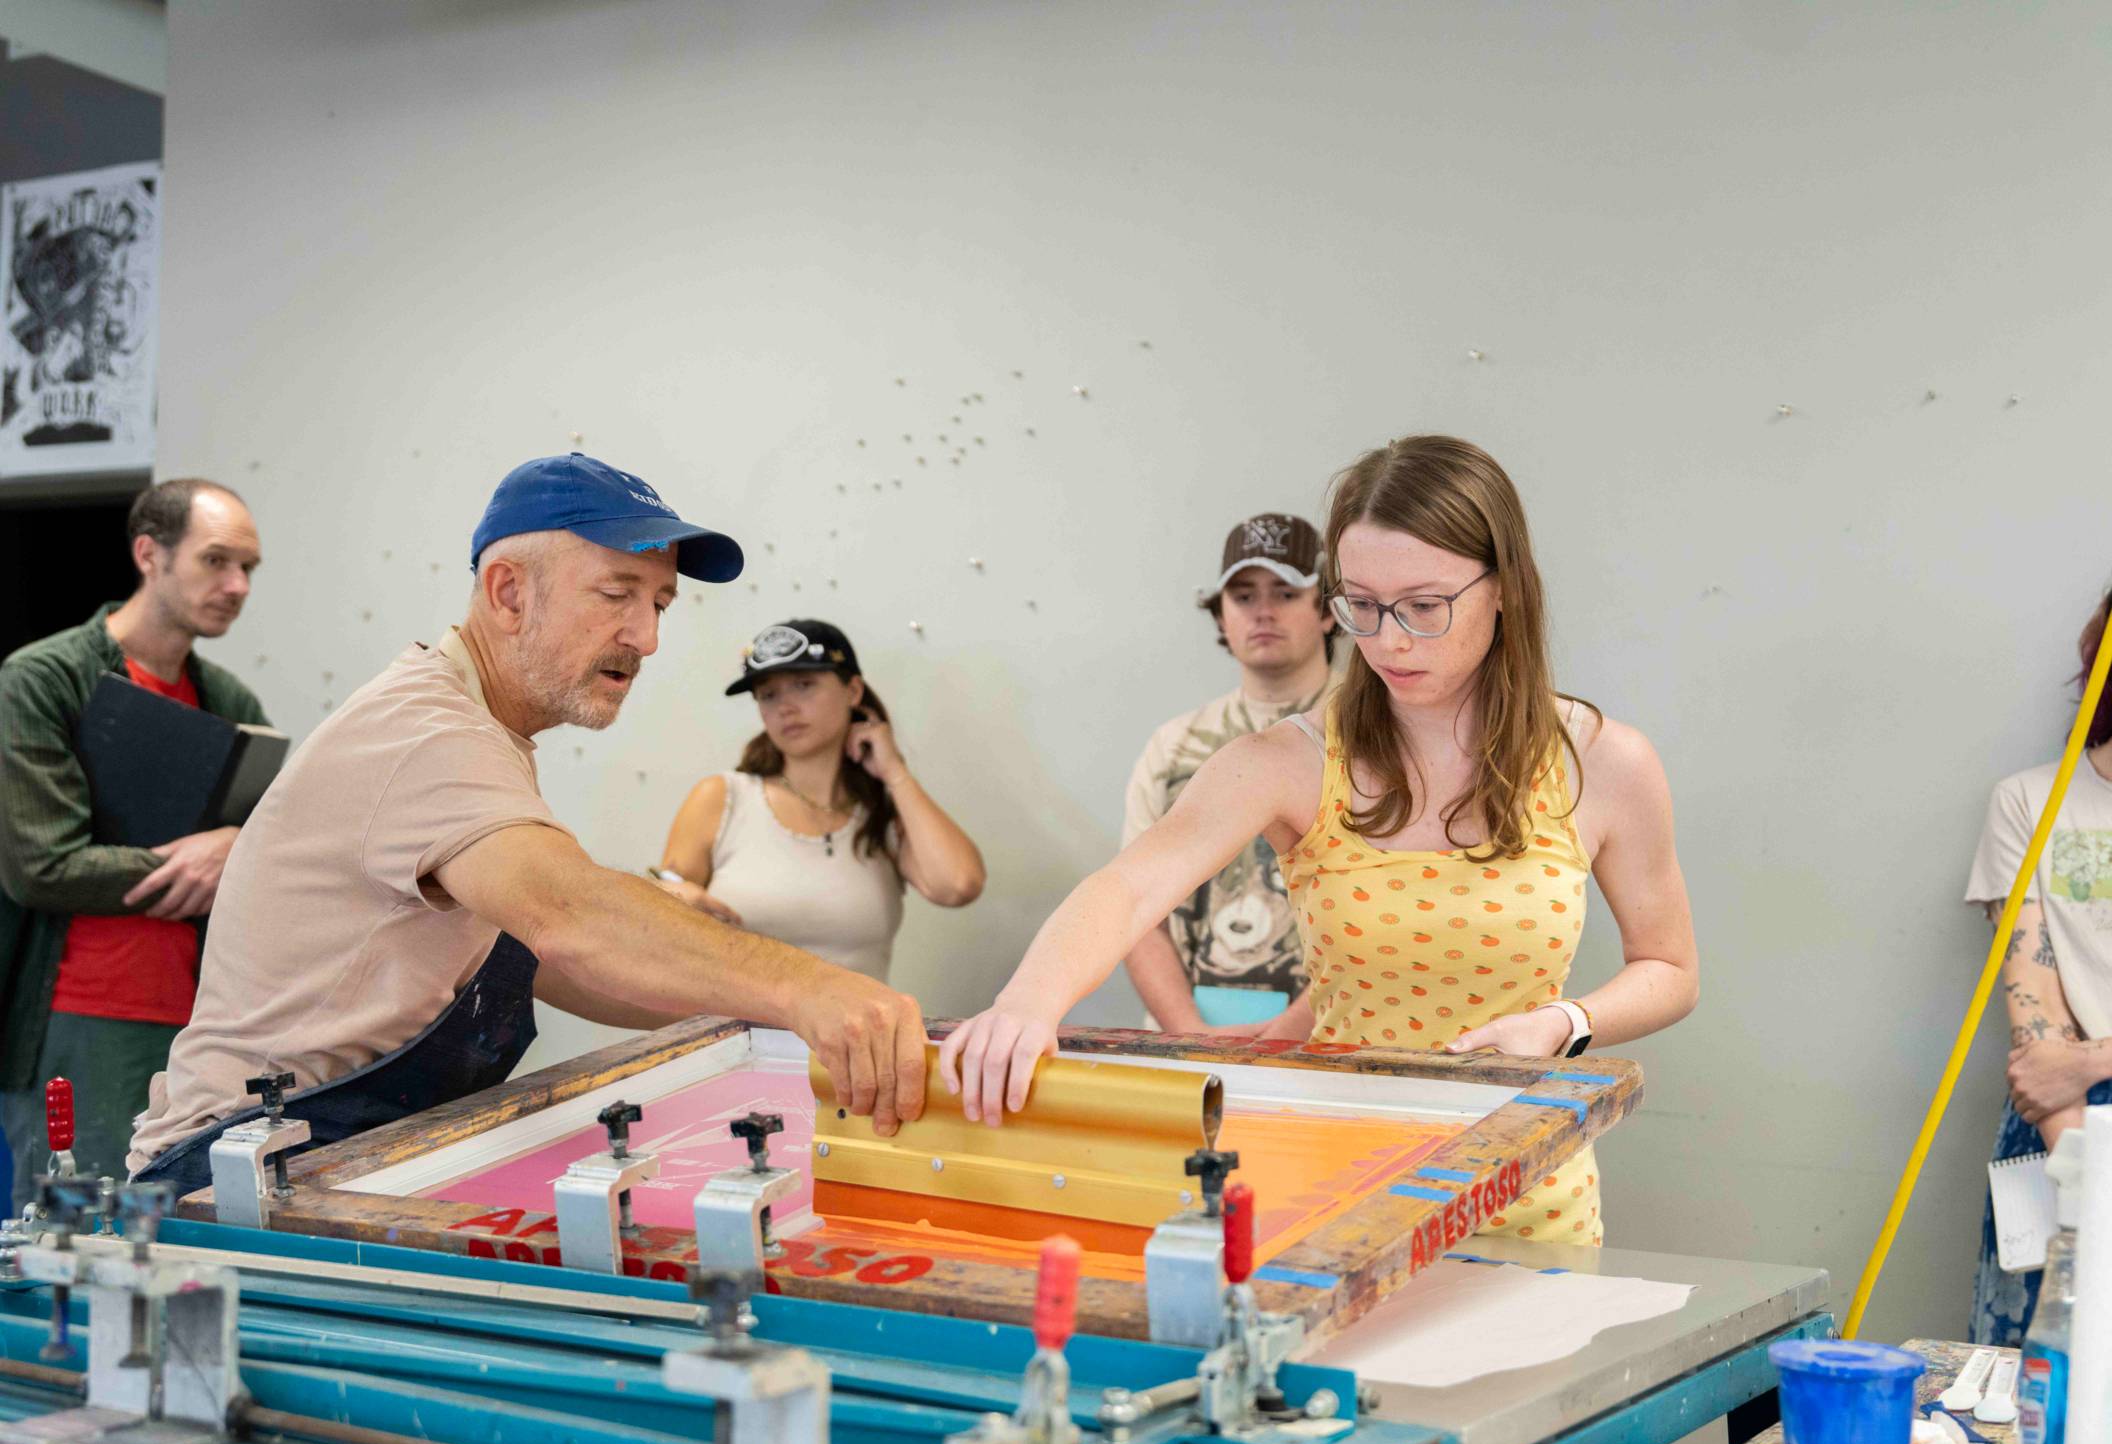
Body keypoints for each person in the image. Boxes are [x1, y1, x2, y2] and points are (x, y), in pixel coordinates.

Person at [938, 434, 1698, 1252]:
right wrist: (1026, 1003)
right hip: (1336, 1194)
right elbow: (1128, 888)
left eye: (1424, 605)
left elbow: (1670, 968)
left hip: (1529, 1200)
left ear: (1505, 587)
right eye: (1361, 605)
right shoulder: (1290, 761)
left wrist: (1564, 1022)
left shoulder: (1602, 761)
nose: (1390, 640)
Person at [128, 454, 927, 1192]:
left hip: (343, 1150)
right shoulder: (430, 734)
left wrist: (768, 1021)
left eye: (659, 604)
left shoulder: (487, 734)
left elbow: (547, 961)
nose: (646, 638)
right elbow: (573, 918)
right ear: (510, 593)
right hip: (234, 1172)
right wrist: (809, 987)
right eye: (616, 594)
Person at [0, 478, 267, 1210]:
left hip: (203, 1019)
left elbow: (278, 842)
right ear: (149, 553)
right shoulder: (44, 678)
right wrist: (212, 855)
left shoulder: (230, 702)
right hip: (84, 1015)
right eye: (216, 561)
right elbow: (40, 865)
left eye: (248, 566)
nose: (237, 585)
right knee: (83, 1246)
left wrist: (236, 844)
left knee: (182, 1236)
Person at [657, 618, 985, 977]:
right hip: (737, 1030)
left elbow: (958, 886)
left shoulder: (881, 814)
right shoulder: (723, 798)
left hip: (860, 1031)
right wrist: (665, 900)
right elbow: (665, 916)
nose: (786, 707)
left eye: (803, 685)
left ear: (853, 691)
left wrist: (895, 773)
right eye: (769, 694)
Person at [1121, 514, 1336, 1037]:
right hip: (1187, 1048)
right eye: (1242, 596)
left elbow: (1390, 911)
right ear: (1219, 615)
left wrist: (1291, 1030)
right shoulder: (1173, 746)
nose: (1263, 611)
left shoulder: (1376, 739)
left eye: (1285, 593)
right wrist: (1191, 1035)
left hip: (1333, 1043)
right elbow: (1136, 908)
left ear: (1329, 610)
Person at [1967, 582, 2112, 1345]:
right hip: (2062, 1131)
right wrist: (2082, 1172)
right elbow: (2039, 1043)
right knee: (2030, 1409)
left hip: (2083, 1087)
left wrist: (2088, 1061)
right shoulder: (2031, 801)